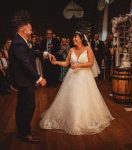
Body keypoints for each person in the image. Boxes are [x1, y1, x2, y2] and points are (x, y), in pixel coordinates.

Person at [40, 31, 114, 135]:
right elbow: (66, 63)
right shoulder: (71, 49)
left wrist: (78, 65)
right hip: (72, 77)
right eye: (73, 38)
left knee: (84, 98)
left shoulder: (88, 49)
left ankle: (82, 120)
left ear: (81, 38)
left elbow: (91, 63)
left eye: (76, 37)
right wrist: (56, 62)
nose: (73, 39)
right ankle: (72, 119)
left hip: (85, 78)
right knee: (72, 97)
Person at [8, 11, 55, 144]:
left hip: (23, 80)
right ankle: (25, 134)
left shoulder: (21, 40)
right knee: (29, 106)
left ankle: (23, 130)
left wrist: (45, 54)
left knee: (22, 106)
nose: (31, 27)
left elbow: (32, 52)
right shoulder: (18, 43)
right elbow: (25, 64)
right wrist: (39, 78)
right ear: (23, 28)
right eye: (29, 26)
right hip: (23, 81)